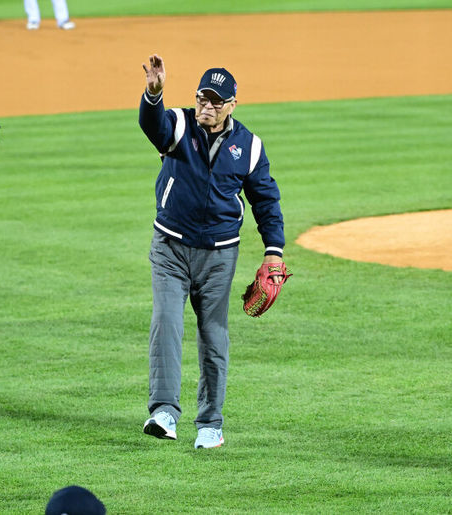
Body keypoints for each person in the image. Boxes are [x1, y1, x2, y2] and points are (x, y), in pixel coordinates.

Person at [138, 54, 286, 449]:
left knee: (213, 335)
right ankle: (165, 412)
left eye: (216, 101)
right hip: (170, 246)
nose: (207, 105)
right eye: (202, 97)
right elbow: (152, 125)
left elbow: (266, 201)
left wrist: (274, 251)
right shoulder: (180, 125)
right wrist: (153, 94)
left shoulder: (250, 147)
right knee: (167, 321)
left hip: (220, 256)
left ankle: (210, 424)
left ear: (231, 105)